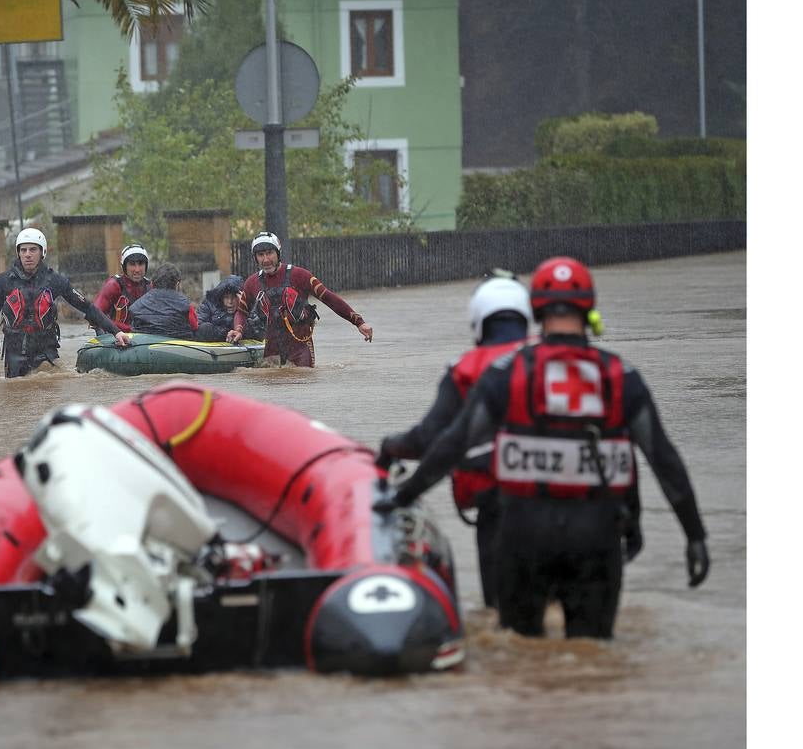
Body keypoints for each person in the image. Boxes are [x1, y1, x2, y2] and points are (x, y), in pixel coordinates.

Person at [374, 256, 710, 638]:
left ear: (536, 309)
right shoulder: (620, 376)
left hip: (522, 536)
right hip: (596, 539)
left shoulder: (506, 373)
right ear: (590, 308)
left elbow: (452, 443)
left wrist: (403, 497)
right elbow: (660, 458)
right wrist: (694, 535)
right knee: (594, 657)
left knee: (521, 659)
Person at [375, 272, 536, 608]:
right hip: (567, 509)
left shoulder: (465, 370)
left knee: (503, 617)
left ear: (478, 320)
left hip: (498, 511)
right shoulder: (559, 363)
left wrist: (391, 448)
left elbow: (429, 440)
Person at [0, 227, 131, 377]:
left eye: (33, 249)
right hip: (15, 354)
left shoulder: (55, 281)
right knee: (17, 398)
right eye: (23, 250)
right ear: (18, 253)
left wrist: (116, 332)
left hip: (46, 351)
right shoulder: (3, 282)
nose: (27, 254)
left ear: (42, 252)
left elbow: (87, 308)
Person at [225, 232, 374, 366]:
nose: (265, 259)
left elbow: (329, 298)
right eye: (260, 255)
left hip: (300, 347)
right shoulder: (252, 283)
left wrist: (358, 322)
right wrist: (238, 330)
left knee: (302, 383)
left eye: (269, 253)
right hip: (272, 347)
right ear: (255, 258)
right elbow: (242, 311)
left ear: (278, 253)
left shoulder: (300, 275)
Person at [128, 262, 220, 341]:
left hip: (143, 345)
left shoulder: (137, 305)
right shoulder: (185, 305)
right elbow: (194, 326)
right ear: (177, 284)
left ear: (152, 283)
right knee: (206, 328)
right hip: (179, 345)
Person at [92, 243, 153, 333]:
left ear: (146, 266)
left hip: (142, 338)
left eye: (140, 264)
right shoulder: (113, 285)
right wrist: (129, 329)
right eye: (132, 264)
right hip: (114, 337)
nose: (137, 270)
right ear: (124, 267)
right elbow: (94, 315)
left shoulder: (151, 287)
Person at [196, 274, 264, 342]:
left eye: (233, 297)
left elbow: (258, 334)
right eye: (226, 297)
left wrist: (245, 308)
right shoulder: (209, 304)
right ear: (221, 297)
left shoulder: (251, 306)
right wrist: (226, 334)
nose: (230, 302)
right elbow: (198, 325)